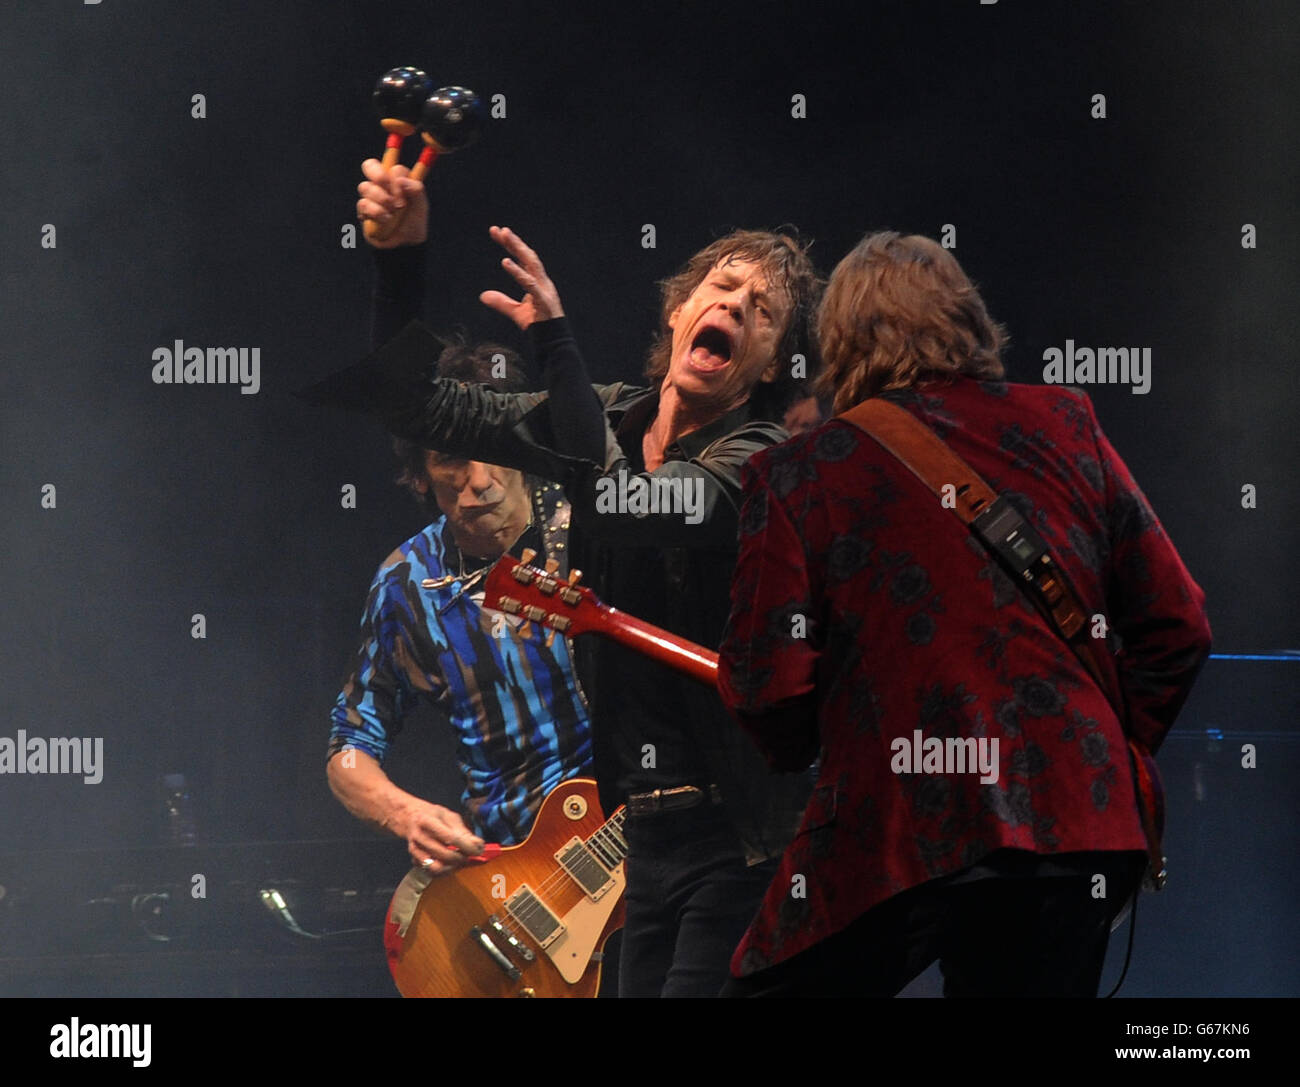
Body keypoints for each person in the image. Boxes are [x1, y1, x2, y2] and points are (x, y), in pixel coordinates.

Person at [330, 159, 824, 995]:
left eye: (763, 310)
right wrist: (399, 261)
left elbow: (626, 504)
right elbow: (412, 405)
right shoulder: (599, 424)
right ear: (678, 312)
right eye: (724, 285)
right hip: (635, 848)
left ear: (772, 365)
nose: (737, 304)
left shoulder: (762, 457)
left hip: (737, 840)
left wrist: (555, 342)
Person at [716, 231, 1213, 997]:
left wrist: (815, 742)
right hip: (1077, 827)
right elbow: (1178, 622)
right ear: (968, 318)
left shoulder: (796, 471)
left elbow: (765, 685)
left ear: (838, 341)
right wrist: (1099, 754)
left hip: (896, 824)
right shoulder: (1068, 421)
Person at [320, 169, 593, 871]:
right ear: (417, 475)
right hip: (510, 886)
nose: (476, 480)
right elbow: (349, 747)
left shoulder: (590, 524)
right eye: (448, 458)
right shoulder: (409, 581)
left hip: (634, 856)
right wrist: (407, 812)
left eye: (490, 452)